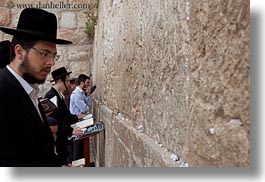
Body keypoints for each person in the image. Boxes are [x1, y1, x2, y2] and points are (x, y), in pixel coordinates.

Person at [0, 8, 72, 166]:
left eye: (54, 55)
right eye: (44, 53)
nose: (51, 62)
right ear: (19, 52)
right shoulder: (3, 91)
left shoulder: (29, 92)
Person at [44, 67, 84, 166]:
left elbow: (65, 116)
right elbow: (54, 123)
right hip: (58, 142)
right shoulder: (52, 96)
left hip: (63, 139)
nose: (69, 84)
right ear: (59, 81)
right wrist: (70, 130)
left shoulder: (59, 95)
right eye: (67, 81)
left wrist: (76, 117)